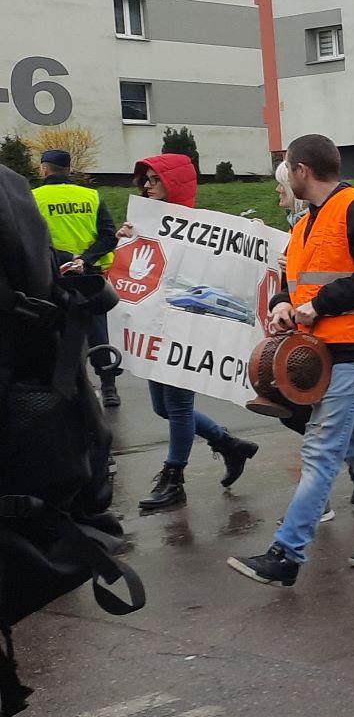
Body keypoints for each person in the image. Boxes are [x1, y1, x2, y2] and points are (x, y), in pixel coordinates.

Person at [226, 136, 354, 586]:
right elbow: (299, 281)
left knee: (321, 449)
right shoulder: (309, 220)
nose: (286, 177)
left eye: (287, 168)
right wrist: (281, 303)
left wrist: (320, 305)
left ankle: (286, 554)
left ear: (301, 170)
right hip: (328, 346)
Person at [119, 154, 260, 511]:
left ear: (174, 182)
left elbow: (229, 257)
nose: (147, 185)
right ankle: (228, 444)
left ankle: (174, 478)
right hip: (155, 324)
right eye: (145, 180)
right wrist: (127, 240)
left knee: (179, 406)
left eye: (154, 179)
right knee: (162, 407)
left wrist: (255, 235)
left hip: (187, 327)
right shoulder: (147, 223)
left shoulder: (201, 227)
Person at [33, 149, 123, 409]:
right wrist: (85, 258)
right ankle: (109, 387)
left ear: (44, 170)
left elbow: (33, 239)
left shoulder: (33, 198)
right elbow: (109, 235)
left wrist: (66, 257)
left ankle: (68, 390)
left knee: (58, 333)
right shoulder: (91, 196)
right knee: (97, 333)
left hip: (52, 276)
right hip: (90, 277)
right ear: (69, 170)